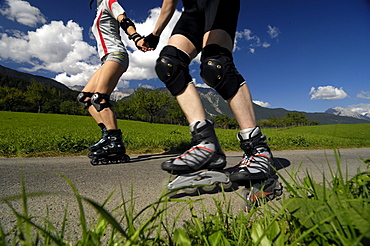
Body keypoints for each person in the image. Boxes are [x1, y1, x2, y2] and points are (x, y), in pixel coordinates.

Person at [142, 0, 275, 182]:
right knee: (169, 64)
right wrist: (155, 33)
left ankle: (257, 148)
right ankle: (206, 143)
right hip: (192, 10)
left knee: (216, 66)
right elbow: (169, 2)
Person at [77, 0, 144, 163]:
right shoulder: (99, 9)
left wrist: (136, 37)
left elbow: (124, 20)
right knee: (84, 98)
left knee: (99, 98)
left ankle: (115, 142)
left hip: (116, 54)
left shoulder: (110, 1)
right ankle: (108, 135)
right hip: (107, 58)